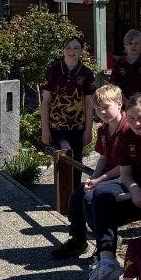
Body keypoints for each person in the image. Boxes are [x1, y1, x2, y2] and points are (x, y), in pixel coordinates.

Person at [83, 94, 141, 280]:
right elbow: (125, 174)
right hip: (136, 182)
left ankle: (138, 266)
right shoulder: (126, 134)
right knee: (99, 194)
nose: (137, 123)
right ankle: (107, 261)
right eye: (131, 118)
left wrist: (137, 192)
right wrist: (133, 190)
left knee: (106, 208)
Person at [51, 83, 126, 260]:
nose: (102, 113)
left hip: (124, 176)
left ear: (119, 103)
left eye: (106, 107)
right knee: (77, 196)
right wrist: (92, 179)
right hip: (106, 175)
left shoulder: (128, 129)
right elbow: (104, 157)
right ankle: (79, 240)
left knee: (90, 199)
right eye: (98, 109)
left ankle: (106, 241)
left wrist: (98, 182)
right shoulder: (103, 129)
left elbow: (125, 166)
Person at [41, 36, 95, 188]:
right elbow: (45, 101)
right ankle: (62, 196)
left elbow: (89, 103)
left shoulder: (86, 73)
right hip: (58, 125)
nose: (72, 51)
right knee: (65, 154)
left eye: (76, 48)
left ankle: (75, 196)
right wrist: (45, 129)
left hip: (78, 126)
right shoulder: (53, 71)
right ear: (62, 50)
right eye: (69, 47)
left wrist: (89, 130)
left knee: (77, 161)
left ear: (81, 51)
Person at [110, 30, 141, 100]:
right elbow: (115, 86)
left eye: (136, 43)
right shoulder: (119, 64)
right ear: (125, 46)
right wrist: (126, 102)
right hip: (123, 103)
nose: (133, 46)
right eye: (130, 43)